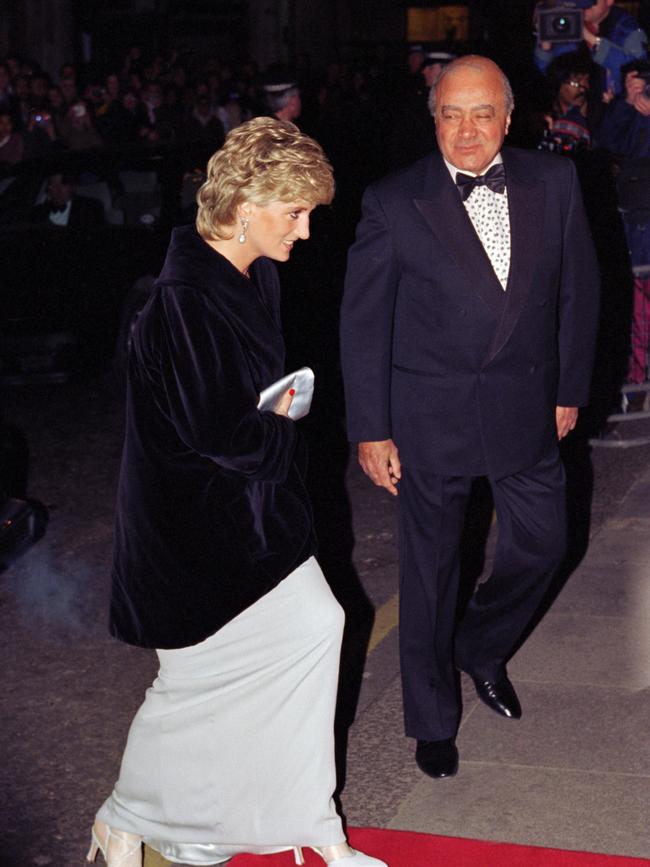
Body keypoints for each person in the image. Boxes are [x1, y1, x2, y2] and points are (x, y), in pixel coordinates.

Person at [88, 117, 387, 867]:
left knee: (317, 626)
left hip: (251, 523)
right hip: (192, 541)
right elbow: (229, 431)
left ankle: (305, 822)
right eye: (297, 212)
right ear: (248, 205)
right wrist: (297, 409)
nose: (307, 230)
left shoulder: (256, 275)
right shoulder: (184, 299)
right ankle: (127, 816)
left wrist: (288, 406)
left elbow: (265, 406)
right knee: (191, 688)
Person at [340, 56, 599, 780]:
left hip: (526, 407)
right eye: (450, 113)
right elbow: (364, 326)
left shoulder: (556, 182)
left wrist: (569, 386)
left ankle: (481, 646)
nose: (465, 130)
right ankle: (431, 719)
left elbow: (580, 291)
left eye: (481, 113)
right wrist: (370, 427)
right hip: (430, 420)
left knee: (546, 544)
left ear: (509, 119)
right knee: (430, 575)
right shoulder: (394, 201)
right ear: (434, 118)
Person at [598, 63, 650, 408]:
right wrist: (625, 106)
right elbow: (610, 144)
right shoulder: (630, 112)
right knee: (638, 302)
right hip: (637, 217)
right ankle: (636, 379)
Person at [534, 0, 647, 96]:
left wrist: (591, 39)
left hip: (616, 108)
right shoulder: (570, 22)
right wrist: (546, 44)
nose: (584, 4)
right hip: (583, 110)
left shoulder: (627, 29)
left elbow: (636, 72)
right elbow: (553, 75)